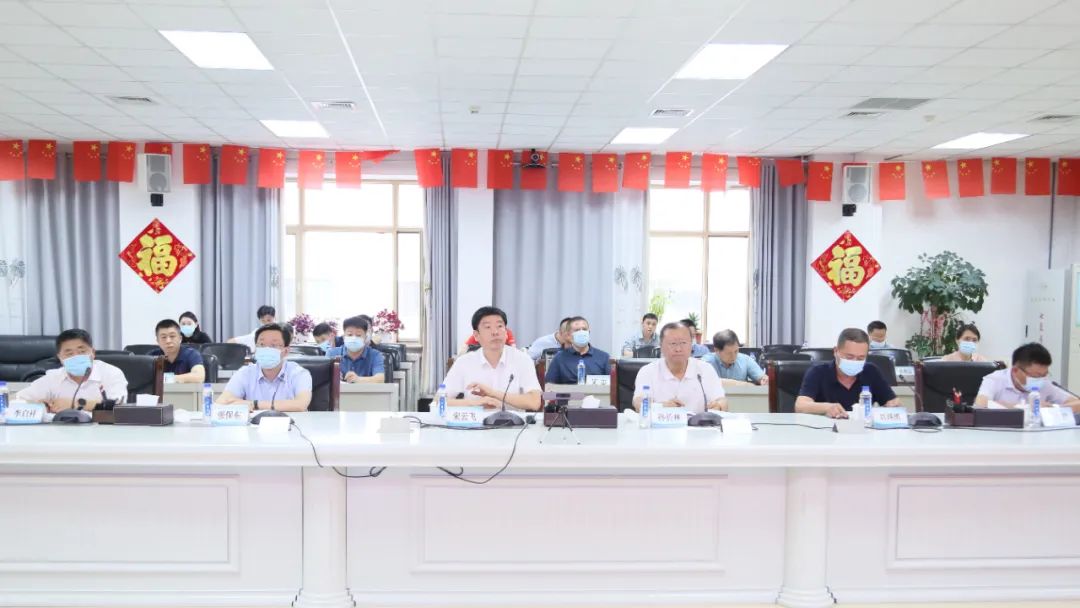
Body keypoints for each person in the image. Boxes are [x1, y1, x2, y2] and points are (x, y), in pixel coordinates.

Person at [443, 306, 541, 411]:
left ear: (506, 332)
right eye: (488, 327)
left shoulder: (523, 360)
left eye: (499, 326)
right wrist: (475, 403)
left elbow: (534, 402)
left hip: (512, 421)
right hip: (477, 421)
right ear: (476, 335)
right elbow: (438, 401)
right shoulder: (464, 362)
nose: (495, 332)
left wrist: (493, 393)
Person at [15, 329, 128, 413]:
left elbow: (118, 406)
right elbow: (17, 400)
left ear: (93, 353)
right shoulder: (54, 377)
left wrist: (74, 403)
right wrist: (38, 405)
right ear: (60, 358)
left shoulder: (111, 373)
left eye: (82, 351)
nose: (76, 357)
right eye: (69, 353)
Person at [796, 328, 900, 418]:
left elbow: (892, 402)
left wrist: (893, 405)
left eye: (861, 358)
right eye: (849, 357)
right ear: (836, 351)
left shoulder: (871, 371)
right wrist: (827, 408)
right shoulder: (817, 372)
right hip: (827, 430)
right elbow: (800, 406)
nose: (854, 361)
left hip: (862, 431)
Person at [632, 322, 727, 414]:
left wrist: (718, 406)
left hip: (698, 424)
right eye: (673, 343)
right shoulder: (647, 371)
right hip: (660, 424)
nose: (678, 349)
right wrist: (661, 407)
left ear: (691, 345)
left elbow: (722, 401)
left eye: (683, 343)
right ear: (661, 346)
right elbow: (638, 404)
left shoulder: (705, 369)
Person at [218, 323, 312, 412]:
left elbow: (300, 404)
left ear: (286, 351)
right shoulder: (245, 373)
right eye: (262, 345)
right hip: (254, 423)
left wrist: (254, 404)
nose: (266, 349)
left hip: (292, 423)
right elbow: (222, 402)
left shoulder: (298, 373)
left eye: (273, 345)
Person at [975, 343, 1080, 412]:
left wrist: (1053, 408)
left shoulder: (1044, 384)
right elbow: (981, 405)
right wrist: (1025, 408)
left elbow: (1077, 403)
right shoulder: (995, 379)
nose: (1041, 379)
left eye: (1044, 374)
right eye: (1036, 376)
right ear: (1015, 370)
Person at [544, 316, 611, 384]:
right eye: (577, 330)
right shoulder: (559, 358)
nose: (581, 332)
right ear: (568, 335)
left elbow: (612, 385)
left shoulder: (604, 357)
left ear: (589, 332)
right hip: (569, 390)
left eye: (584, 329)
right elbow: (549, 385)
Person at [327, 315, 385, 384]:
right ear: (344, 337)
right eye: (350, 335)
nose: (354, 338)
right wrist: (332, 377)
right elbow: (323, 378)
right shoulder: (332, 353)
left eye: (358, 335)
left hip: (365, 391)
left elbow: (380, 379)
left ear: (365, 338)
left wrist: (358, 379)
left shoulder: (375, 355)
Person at [148, 319, 205, 383]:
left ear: (180, 339)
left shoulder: (191, 354)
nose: (168, 341)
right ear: (157, 341)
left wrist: (167, 379)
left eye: (172, 336)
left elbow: (199, 377)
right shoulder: (151, 357)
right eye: (163, 337)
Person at [702, 330, 768, 386]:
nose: (733, 356)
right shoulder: (706, 362)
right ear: (717, 350)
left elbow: (761, 377)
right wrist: (742, 385)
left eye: (736, 351)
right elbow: (706, 381)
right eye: (729, 353)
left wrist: (764, 380)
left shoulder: (745, 360)